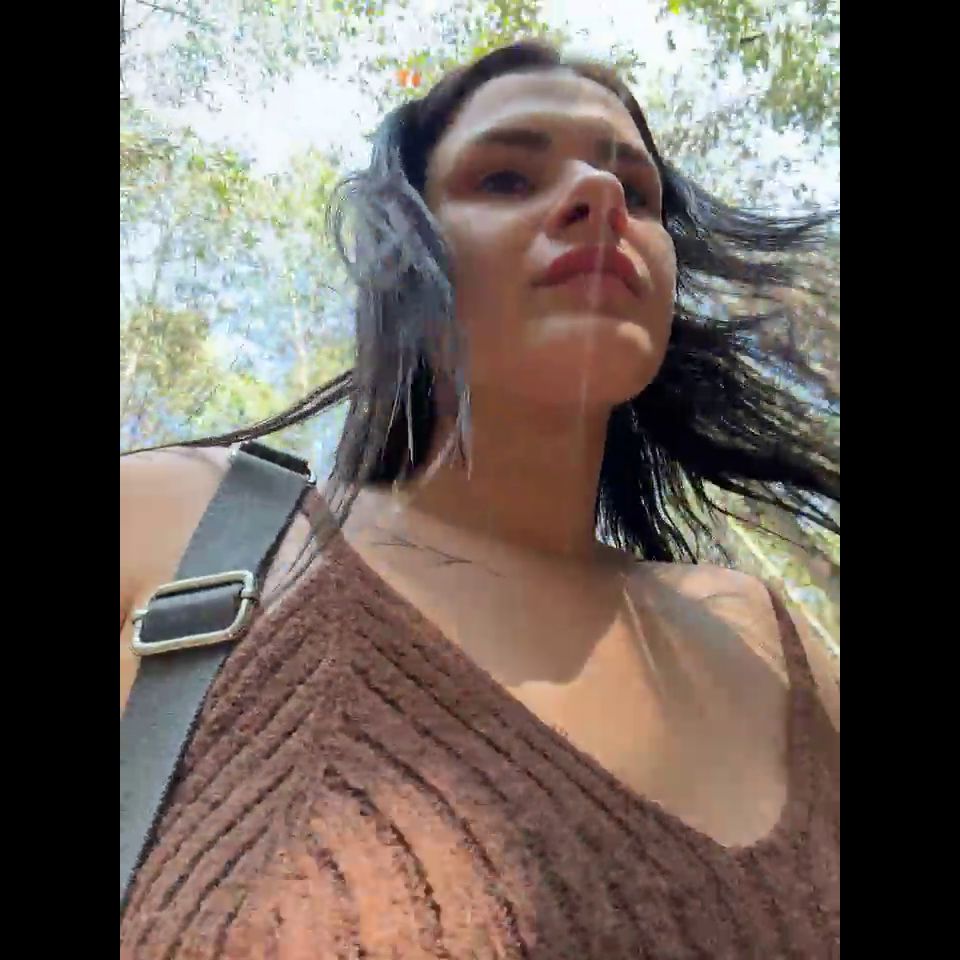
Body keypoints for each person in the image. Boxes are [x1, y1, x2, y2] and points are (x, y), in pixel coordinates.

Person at [120, 40, 839, 959]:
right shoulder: (182, 526)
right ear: (409, 256)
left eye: (637, 190)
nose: (601, 195)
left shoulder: (774, 646)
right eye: (505, 178)